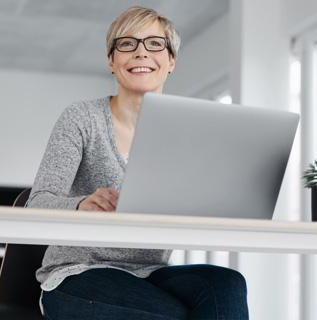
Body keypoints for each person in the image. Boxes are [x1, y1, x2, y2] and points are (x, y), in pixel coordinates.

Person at [27, 6, 249, 320]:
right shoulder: (81, 118)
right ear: (111, 61)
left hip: (151, 273)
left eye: (155, 44)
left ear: (170, 61)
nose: (141, 53)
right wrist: (81, 206)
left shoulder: (186, 133)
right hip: (78, 274)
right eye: (127, 44)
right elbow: (37, 205)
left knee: (226, 285)